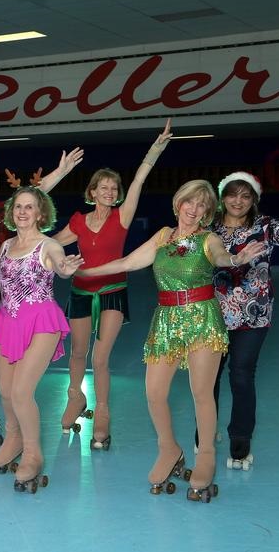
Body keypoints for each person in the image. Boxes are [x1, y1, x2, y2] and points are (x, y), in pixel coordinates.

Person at [75, 180, 264, 503]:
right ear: (178, 204)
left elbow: (220, 258)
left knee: (202, 393)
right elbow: (126, 263)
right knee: (154, 393)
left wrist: (236, 259)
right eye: (189, 202)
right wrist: (83, 271)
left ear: (207, 212)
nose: (193, 209)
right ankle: (169, 450)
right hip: (166, 320)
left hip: (202, 318)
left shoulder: (209, 239)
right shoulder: (163, 236)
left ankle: (205, 455)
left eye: (201, 205)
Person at [0, 147, 84, 449]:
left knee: (4, 372)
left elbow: (32, 197)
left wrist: (61, 172)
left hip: (16, 304)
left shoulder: (14, 221)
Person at [52, 120, 171, 449]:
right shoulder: (78, 221)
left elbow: (139, 180)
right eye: (103, 187)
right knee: (77, 353)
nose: (109, 192)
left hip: (112, 293)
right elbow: (52, 245)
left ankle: (102, 413)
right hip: (80, 292)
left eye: (113, 188)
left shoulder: (122, 216)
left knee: (100, 359)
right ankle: (75, 399)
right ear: (92, 192)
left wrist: (154, 151)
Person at [0, 186, 83, 493]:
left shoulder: (48, 245)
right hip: (9, 321)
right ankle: (14, 437)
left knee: (21, 391)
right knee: (5, 391)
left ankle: (33, 452)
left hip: (41, 322)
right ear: (11, 212)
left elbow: (60, 263)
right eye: (18, 206)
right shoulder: (6, 245)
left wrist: (65, 269)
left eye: (30, 207)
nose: (23, 212)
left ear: (41, 213)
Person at [210, 171, 279, 469]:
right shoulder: (210, 228)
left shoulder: (263, 226)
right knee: (208, 378)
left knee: (241, 375)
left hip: (253, 315)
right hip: (213, 314)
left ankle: (239, 442)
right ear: (222, 197)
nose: (238, 201)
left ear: (253, 199)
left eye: (245, 196)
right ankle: (205, 431)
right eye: (232, 194)